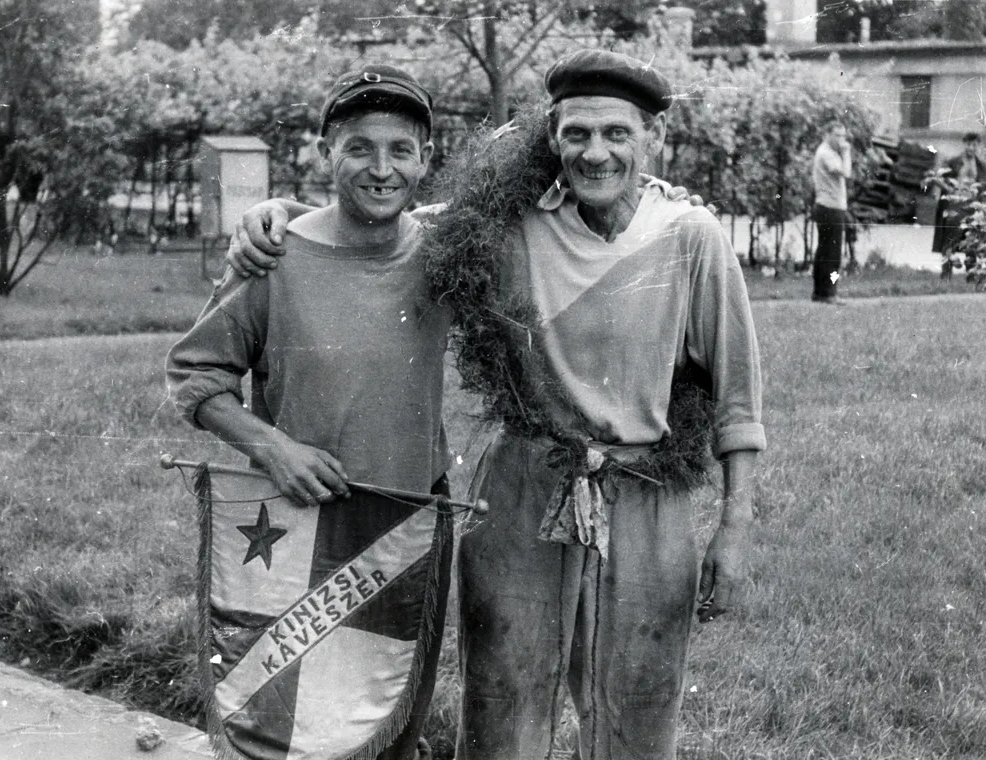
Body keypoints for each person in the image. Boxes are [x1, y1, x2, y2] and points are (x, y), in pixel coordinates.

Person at [232, 49, 766, 760]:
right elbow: (380, 223)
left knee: (637, 706)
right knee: (503, 701)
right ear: (552, 138)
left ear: (655, 137)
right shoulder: (509, 224)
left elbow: (737, 399)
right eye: (576, 133)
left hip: (645, 494)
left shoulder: (691, 235)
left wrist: (735, 528)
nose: (596, 153)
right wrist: (277, 214)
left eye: (617, 133)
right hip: (521, 487)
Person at [166, 63, 449, 760]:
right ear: (326, 152)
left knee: (390, 717)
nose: (381, 169)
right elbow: (195, 377)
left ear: (425, 159)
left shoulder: (445, 255)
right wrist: (273, 449)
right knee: (289, 728)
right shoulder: (275, 255)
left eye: (401, 150)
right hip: (298, 527)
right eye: (358, 148)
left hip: (405, 524)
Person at [811, 120, 852, 304]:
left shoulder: (828, 152)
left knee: (824, 251)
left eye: (843, 136)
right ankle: (829, 293)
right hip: (830, 208)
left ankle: (821, 292)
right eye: (837, 135)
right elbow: (846, 172)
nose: (841, 140)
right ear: (827, 135)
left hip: (828, 206)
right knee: (832, 255)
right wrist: (847, 152)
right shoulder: (827, 153)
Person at [932, 131, 986, 258]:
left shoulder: (981, 166)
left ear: (978, 146)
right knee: (950, 240)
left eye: (974, 145)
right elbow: (936, 177)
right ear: (964, 144)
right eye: (968, 144)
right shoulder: (954, 161)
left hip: (973, 206)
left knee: (973, 241)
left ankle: (970, 268)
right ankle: (947, 268)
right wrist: (950, 189)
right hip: (955, 204)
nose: (971, 148)